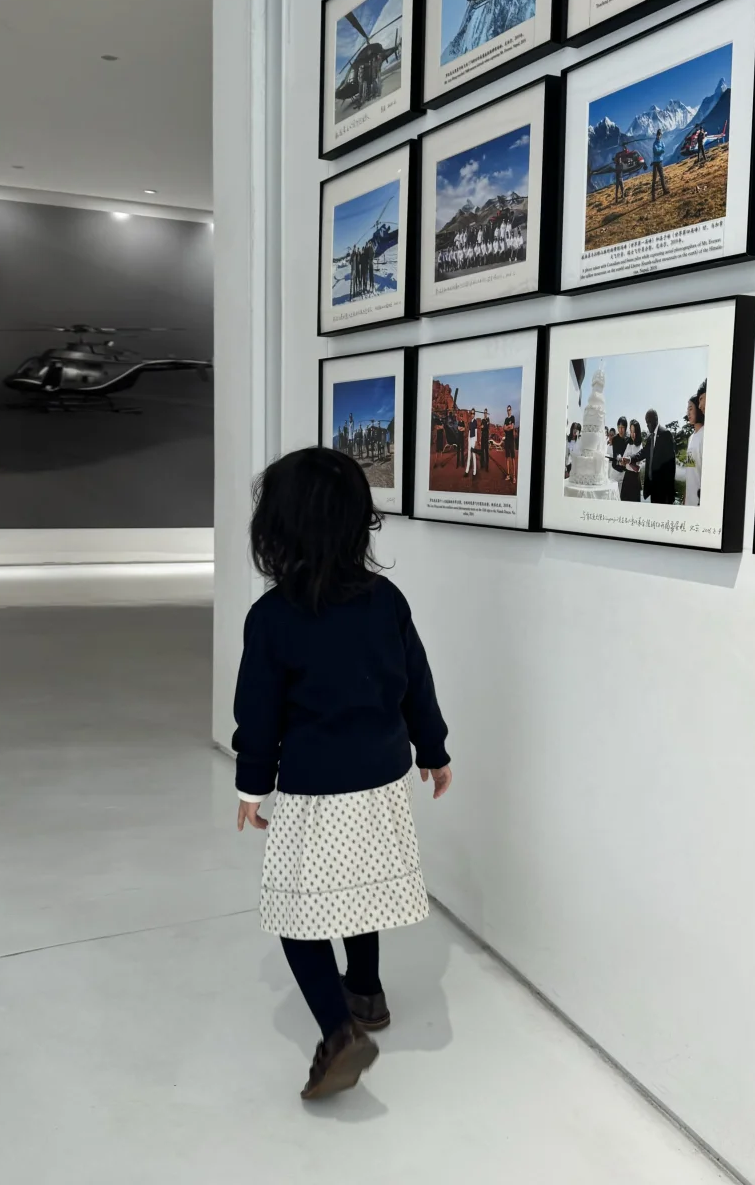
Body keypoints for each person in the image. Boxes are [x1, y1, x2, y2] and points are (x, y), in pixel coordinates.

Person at [233, 449, 451, 1100]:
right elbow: (417, 683)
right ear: (360, 523)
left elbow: (258, 713)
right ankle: (367, 991)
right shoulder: (386, 602)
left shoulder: (272, 618)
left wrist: (252, 784)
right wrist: (433, 750)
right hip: (381, 782)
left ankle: (338, 1032)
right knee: (361, 887)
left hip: (314, 789)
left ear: (277, 529)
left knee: (296, 913)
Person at [642, 409, 676, 504]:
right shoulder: (650, 438)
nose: (647, 425)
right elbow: (643, 452)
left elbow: (671, 467)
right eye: (646, 422)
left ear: (656, 419)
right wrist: (630, 459)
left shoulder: (666, 434)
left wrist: (669, 494)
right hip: (652, 489)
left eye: (649, 421)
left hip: (663, 491)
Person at [676, 393, 704, 506]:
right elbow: (690, 469)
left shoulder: (706, 434)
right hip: (689, 501)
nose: (688, 412)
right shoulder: (691, 438)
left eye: (691, 408)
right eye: (687, 409)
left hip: (700, 501)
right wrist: (685, 496)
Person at [620, 419, 644, 503]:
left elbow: (637, 468)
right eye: (631, 431)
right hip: (627, 476)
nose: (632, 434)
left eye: (634, 432)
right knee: (623, 501)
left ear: (638, 432)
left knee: (634, 503)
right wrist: (622, 461)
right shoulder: (629, 444)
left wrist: (629, 461)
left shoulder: (640, 446)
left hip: (635, 478)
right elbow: (623, 462)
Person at [609, 415, 629, 496]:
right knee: (612, 495)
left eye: (622, 427)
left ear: (625, 428)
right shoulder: (614, 439)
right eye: (619, 427)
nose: (620, 430)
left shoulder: (628, 440)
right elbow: (614, 453)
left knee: (622, 496)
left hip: (624, 472)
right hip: (615, 471)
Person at [651, 129, 669, 200]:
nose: (659, 136)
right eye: (658, 134)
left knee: (662, 177)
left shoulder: (660, 143)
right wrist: (661, 150)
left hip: (660, 162)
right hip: (656, 162)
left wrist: (661, 150)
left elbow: (663, 147)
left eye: (660, 134)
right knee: (654, 178)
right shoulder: (655, 143)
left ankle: (664, 191)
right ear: (657, 135)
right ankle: (653, 196)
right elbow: (656, 151)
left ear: (661, 135)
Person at [503, 405, 517, 485]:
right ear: (506, 411)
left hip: (511, 440)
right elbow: (504, 428)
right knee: (507, 458)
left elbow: (512, 427)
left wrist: (507, 427)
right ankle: (508, 475)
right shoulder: (506, 419)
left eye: (509, 410)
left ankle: (514, 476)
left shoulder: (512, 417)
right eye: (507, 410)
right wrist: (508, 427)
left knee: (513, 458)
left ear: (511, 410)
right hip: (507, 440)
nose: (508, 411)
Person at [465, 413, 479, 479]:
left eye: (473, 413)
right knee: (469, 455)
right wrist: (468, 439)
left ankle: (474, 472)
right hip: (470, 439)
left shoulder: (475, 421)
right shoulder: (470, 422)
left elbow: (476, 431)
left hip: (473, 439)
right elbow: (469, 431)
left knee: (473, 455)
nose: (472, 415)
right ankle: (467, 471)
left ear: (474, 414)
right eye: (471, 413)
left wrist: (476, 441)